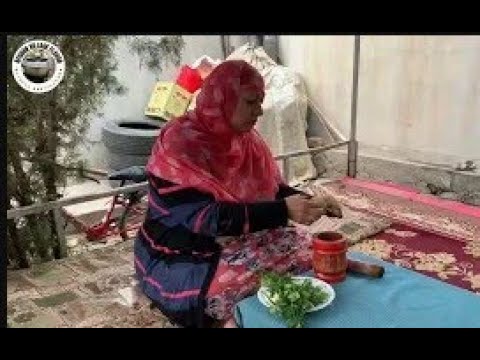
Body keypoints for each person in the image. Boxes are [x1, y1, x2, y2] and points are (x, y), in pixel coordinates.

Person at [134, 60, 342, 328]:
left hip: (237, 233)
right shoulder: (180, 141)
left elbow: (272, 189)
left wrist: (310, 201)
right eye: (250, 102)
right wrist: (284, 210)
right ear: (223, 98)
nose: (259, 111)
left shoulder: (246, 139)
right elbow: (206, 218)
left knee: (307, 249)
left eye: (261, 101)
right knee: (224, 294)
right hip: (183, 246)